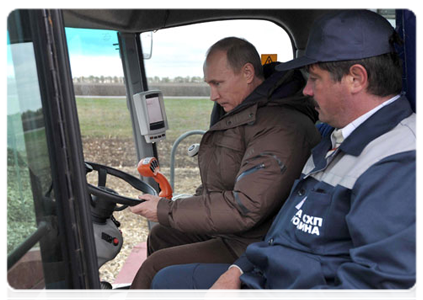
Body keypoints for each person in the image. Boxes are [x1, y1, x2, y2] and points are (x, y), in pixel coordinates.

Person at [149, 9, 420, 300]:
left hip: (290, 290)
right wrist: (237, 271)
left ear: (356, 78)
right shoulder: (333, 139)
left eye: (315, 78)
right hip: (271, 275)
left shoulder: (401, 159)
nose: (306, 90)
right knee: (167, 279)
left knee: (164, 278)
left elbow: (381, 289)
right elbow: (282, 231)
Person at [125, 37, 321, 299]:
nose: (212, 95)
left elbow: (245, 207)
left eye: (218, 83)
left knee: (154, 267)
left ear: (248, 73)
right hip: (233, 231)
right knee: (163, 235)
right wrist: (173, 210)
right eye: (209, 84)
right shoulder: (241, 114)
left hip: (254, 241)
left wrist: (166, 209)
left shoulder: (280, 126)